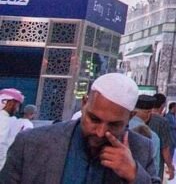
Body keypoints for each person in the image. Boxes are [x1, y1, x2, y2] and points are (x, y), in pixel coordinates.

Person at [0, 72, 159, 183]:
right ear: (84, 104)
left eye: (114, 124)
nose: (101, 132)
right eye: (94, 119)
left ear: (130, 117)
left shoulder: (140, 150)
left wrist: (133, 174)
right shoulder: (33, 143)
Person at [0, 88, 25, 172]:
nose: (17, 109)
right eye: (17, 105)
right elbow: (1, 144)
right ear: (10, 103)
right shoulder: (4, 120)